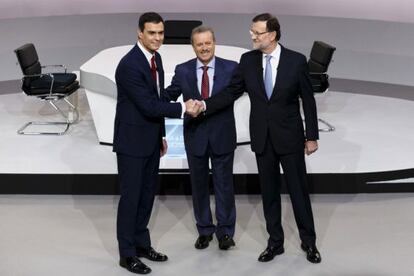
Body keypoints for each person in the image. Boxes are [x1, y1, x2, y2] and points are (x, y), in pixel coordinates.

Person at [188, 13, 322, 264]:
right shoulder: (248, 60)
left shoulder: (295, 61)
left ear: (271, 35)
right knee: (269, 194)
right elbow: (231, 92)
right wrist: (205, 105)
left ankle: (309, 242)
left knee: (298, 193)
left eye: (257, 32)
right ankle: (275, 243)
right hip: (262, 139)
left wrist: (311, 136)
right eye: (252, 31)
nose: (252, 36)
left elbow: (308, 100)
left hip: (290, 138)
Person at [113, 12, 196, 274]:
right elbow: (149, 106)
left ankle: (141, 244)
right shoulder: (129, 65)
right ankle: (126, 254)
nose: (157, 38)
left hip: (150, 139)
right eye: (152, 33)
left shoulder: (155, 58)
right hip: (131, 143)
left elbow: (156, 97)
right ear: (140, 33)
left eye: (160, 33)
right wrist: (183, 108)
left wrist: (160, 134)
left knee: (147, 195)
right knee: (131, 198)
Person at [163, 26, 237, 250]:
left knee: (224, 185)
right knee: (199, 185)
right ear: (193, 46)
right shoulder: (183, 69)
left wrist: (204, 106)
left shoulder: (232, 68)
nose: (204, 48)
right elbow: (170, 93)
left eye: (208, 43)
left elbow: (230, 95)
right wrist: (152, 98)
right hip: (195, 135)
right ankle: (205, 230)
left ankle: (225, 232)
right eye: (199, 44)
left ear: (214, 43)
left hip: (222, 135)